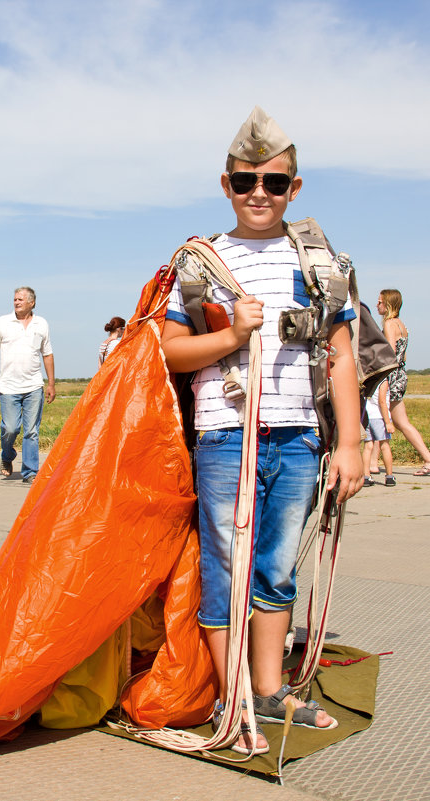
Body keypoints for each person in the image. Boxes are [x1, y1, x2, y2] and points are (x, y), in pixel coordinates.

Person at [161, 106, 363, 755]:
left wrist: (352, 443)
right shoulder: (200, 262)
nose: (258, 194)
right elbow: (168, 350)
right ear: (226, 184)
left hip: (299, 436)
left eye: (272, 183)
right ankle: (231, 698)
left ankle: (269, 689)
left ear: (292, 189)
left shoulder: (316, 259)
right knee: (225, 567)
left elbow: (340, 352)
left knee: (275, 569)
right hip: (225, 435)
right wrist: (230, 334)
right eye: (244, 181)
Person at [0, 286, 55, 484]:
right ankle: (7, 455)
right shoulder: (2, 322)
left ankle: (30, 472)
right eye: (15, 299)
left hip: (33, 386)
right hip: (9, 387)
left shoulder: (41, 324)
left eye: (20, 299)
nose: (16, 302)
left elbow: (47, 354)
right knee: (11, 429)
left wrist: (51, 384)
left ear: (32, 302)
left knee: (31, 431)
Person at [377, 289, 430, 476]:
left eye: (381, 302)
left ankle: (428, 458)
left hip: (390, 375)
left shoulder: (389, 324)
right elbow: (403, 354)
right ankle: (373, 463)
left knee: (383, 416)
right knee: (395, 421)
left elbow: (390, 351)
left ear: (389, 304)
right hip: (401, 373)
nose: (378, 305)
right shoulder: (402, 325)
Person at [362, 381, 395, 486]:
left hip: (367, 415)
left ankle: (366, 476)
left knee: (368, 446)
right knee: (385, 445)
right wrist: (388, 422)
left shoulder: (367, 380)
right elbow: (382, 401)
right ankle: (389, 476)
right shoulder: (383, 381)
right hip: (379, 416)